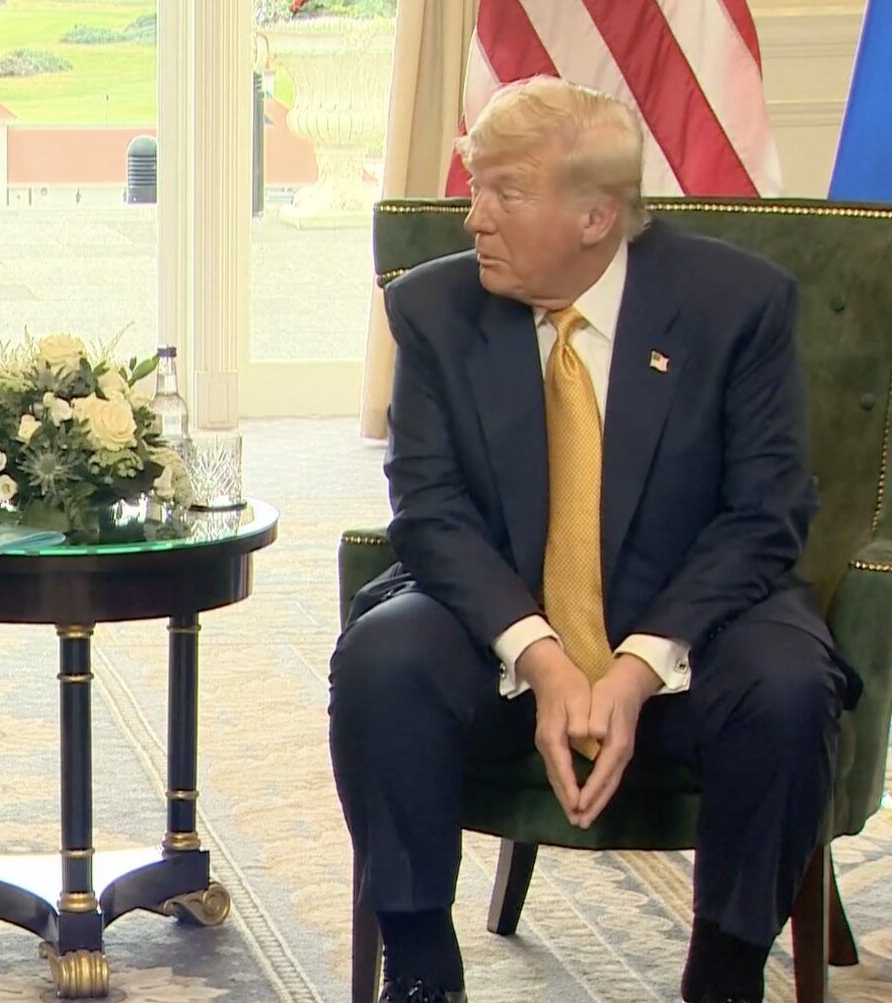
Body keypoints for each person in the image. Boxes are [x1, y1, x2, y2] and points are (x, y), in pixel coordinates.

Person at [328, 76, 859, 1003]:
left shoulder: (738, 306)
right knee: (384, 658)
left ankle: (726, 971)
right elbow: (430, 511)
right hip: (499, 626)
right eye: (475, 187)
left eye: (506, 192)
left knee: (787, 688)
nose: (475, 218)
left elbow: (763, 514)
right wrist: (543, 658)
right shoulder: (435, 311)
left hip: (691, 627)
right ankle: (419, 967)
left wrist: (636, 666)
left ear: (596, 216)